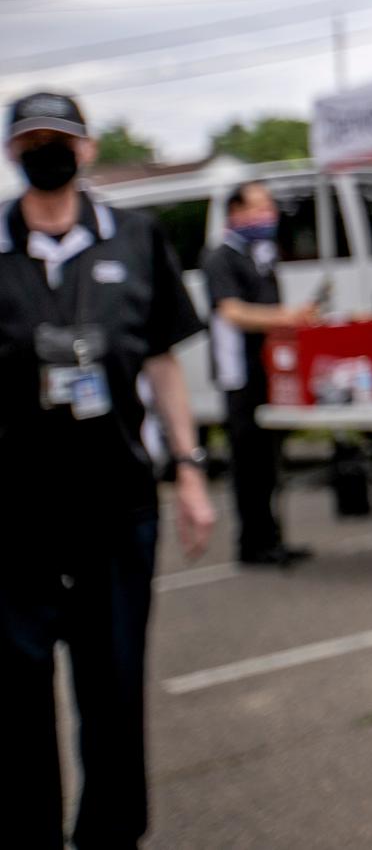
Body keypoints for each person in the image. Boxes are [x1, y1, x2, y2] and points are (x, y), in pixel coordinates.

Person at [0, 91, 216, 849]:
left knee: (114, 692)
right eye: (32, 142)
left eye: (60, 139)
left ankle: (110, 837)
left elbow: (160, 361)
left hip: (116, 508)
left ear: (88, 151)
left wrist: (189, 471)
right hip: (15, 520)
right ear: (12, 155)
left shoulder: (136, 236)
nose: (47, 152)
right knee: (17, 701)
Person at [200, 181, 318, 567]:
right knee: (248, 459)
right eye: (258, 207)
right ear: (235, 213)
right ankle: (252, 542)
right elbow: (232, 311)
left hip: (270, 368)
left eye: (269, 206)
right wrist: (284, 316)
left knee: (268, 458)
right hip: (240, 373)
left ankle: (271, 536)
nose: (267, 214)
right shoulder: (221, 257)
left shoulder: (261, 255)